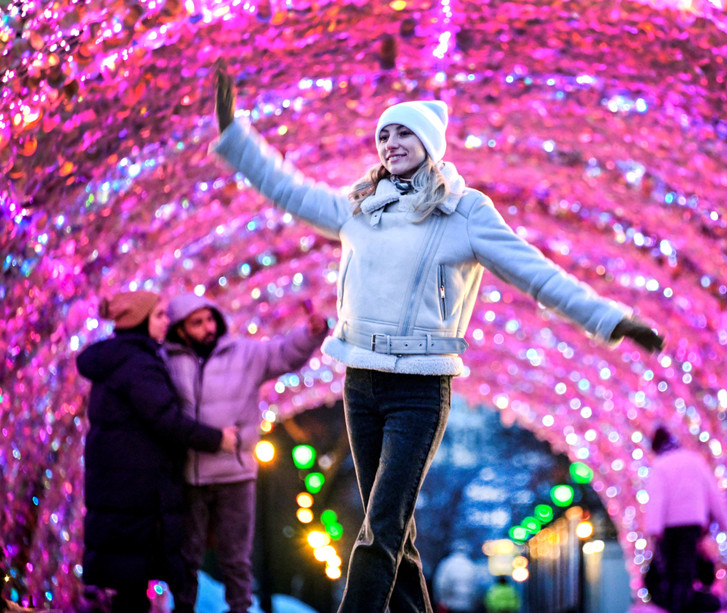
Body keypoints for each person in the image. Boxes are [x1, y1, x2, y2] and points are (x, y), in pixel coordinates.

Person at [210, 60, 665, 613]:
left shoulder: (464, 213)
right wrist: (235, 135)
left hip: (419, 388)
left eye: (404, 132)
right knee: (396, 535)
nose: (391, 142)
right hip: (362, 382)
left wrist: (609, 319)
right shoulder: (359, 208)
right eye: (384, 133)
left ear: (430, 143)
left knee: (381, 525)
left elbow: (537, 273)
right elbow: (286, 187)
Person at [163, 292, 328, 613]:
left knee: (236, 558)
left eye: (210, 319)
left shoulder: (242, 353)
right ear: (180, 330)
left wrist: (310, 334)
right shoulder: (168, 361)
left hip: (235, 474)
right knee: (187, 556)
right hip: (189, 474)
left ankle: (240, 609)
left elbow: (282, 354)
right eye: (197, 323)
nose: (207, 327)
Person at [76, 290, 238, 613]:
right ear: (140, 320)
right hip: (136, 493)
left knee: (129, 587)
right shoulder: (138, 364)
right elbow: (166, 420)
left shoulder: (119, 358)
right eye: (160, 315)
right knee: (133, 590)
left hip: (120, 490)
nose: (167, 321)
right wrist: (217, 439)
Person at [645, 426, 727, 613]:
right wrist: (725, 522)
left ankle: (677, 605)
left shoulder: (660, 465)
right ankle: (686, 602)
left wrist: (654, 529)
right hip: (693, 524)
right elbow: (713, 492)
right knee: (686, 570)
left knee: (671, 572)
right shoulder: (694, 461)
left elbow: (657, 498)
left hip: (669, 527)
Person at [433, 541, 481, 613]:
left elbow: (441, 584)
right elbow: (476, 587)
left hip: (450, 605)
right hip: (467, 605)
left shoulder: (447, 563)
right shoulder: (471, 565)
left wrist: (441, 599)